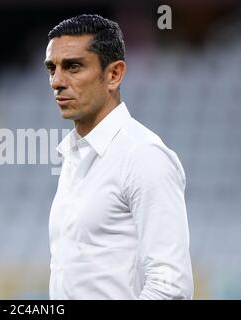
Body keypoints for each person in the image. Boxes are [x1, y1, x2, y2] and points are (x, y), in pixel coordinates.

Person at [45, 14, 193, 299]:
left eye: (73, 66)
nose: (57, 81)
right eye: (52, 68)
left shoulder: (144, 157)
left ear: (113, 74)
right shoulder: (74, 156)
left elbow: (171, 287)